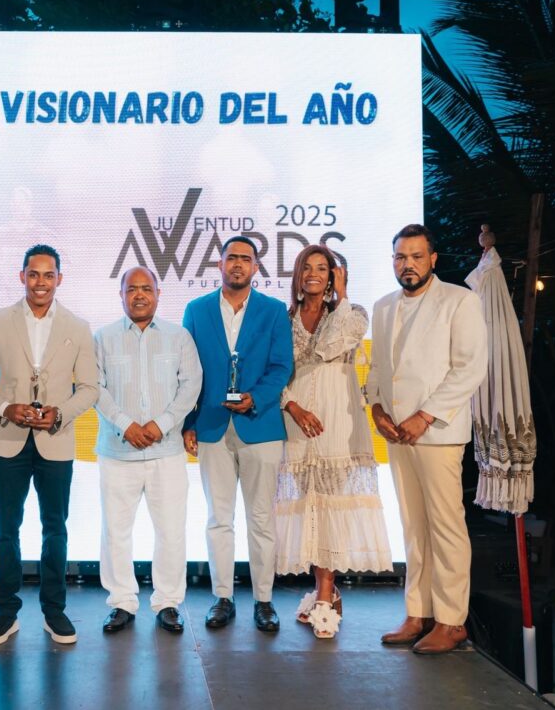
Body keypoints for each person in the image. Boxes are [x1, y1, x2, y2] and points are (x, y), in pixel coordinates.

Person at [0, 244, 99, 646]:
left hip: (55, 441)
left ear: (60, 278)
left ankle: (54, 611)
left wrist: (59, 413)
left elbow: (90, 388)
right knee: (6, 528)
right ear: (21, 276)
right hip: (8, 439)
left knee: (55, 527)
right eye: (33, 274)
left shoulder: (78, 327)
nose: (40, 282)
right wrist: (6, 408)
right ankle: (5, 612)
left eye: (48, 275)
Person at [368, 224, 487, 654]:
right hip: (397, 434)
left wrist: (425, 415)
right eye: (401, 257)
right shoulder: (383, 306)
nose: (409, 264)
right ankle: (417, 613)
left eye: (417, 256)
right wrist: (376, 409)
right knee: (414, 526)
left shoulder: (460, 300)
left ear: (433, 259)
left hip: (436, 432)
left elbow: (470, 367)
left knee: (446, 527)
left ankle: (452, 621)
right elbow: (378, 368)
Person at [274, 245, 393, 639]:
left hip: (337, 421)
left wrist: (341, 296)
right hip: (297, 422)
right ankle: (324, 589)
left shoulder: (352, 313)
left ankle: (326, 593)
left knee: (331, 507)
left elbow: (330, 346)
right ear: (297, 274)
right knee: (308, 507)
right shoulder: (283, 319)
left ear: (333, 275)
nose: (314, 273)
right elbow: (274, 371)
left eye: (322, 268)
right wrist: (291, 406)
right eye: (307, 267)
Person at [181, 236, 293, 632]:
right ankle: (222, 597)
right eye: (232, 258)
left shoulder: (274, 311)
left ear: (256, 267)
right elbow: (187, 372)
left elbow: (281, 367)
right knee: (218, 518)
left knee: (261, 518)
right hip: (211, 426)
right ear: (220, 264)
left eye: (246, 259)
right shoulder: (196, 310)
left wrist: (255, 398)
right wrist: (188, 422)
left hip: (261, 426)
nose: (238, 264)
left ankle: (264, 600)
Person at [94, 267, 203, 635]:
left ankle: (168, 602)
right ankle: (121, 602)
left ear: (158, 293)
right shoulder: (103, 338)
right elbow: (95, 388)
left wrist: (162, 424)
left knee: (171, 531)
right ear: (121, 294)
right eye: (131, 289)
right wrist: (125, 424)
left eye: (146, 288)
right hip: (117, 451)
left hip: (166, 450)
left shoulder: (179, 337)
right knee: (115, 532)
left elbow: (191, 385)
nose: (139, 295)